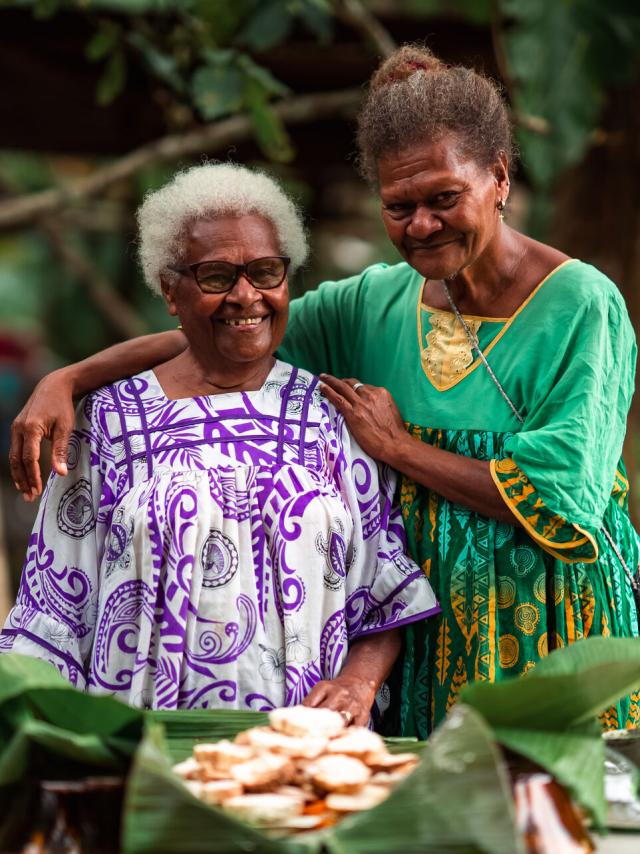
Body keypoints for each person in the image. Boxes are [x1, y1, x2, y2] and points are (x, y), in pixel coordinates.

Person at [9, 46, 639, 736]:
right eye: (399, 206)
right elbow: (230, 327)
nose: (421, 224)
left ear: (499, 177)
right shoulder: (374, 301)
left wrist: (399, 449)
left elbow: (562, 495)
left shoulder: (581, 304)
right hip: (429, 644)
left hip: (547, 618)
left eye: (444, 199)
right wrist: (69, 378)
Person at [0, 163, 439, 722]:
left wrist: (357, 685)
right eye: (215, 277)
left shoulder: (331, 418)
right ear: (170, 290)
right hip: (146, 744)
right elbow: (52, 613)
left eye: (266, 271)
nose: (245, 295)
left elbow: (383, 592)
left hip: (300, 744)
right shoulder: (108, 421)